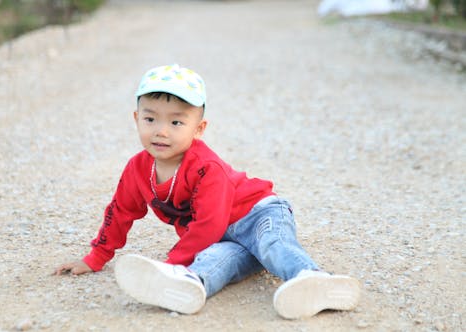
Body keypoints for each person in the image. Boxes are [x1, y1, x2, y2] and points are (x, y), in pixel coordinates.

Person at [54, 64, 361, 319]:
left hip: (257, 213)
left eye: (176, 121)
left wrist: (173, 260)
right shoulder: (137, 168)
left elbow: (209, 224)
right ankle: (190, 284)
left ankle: (312, 279)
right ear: (137, 119)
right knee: (218, 259)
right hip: (221, 236)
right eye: (150, 119)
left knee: (271, 243)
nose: (161, 131)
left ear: (198, 129)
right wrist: (96, 256)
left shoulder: (206, 167)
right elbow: (120, 211)